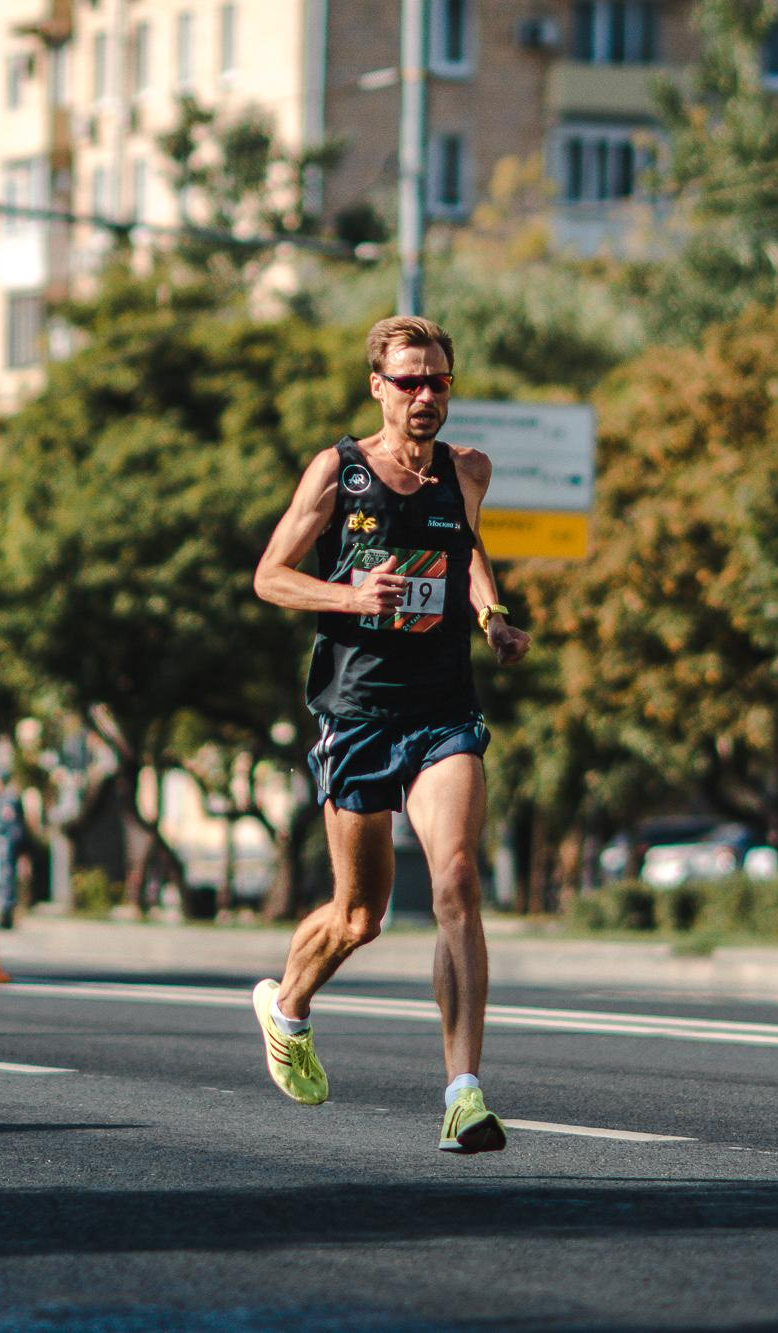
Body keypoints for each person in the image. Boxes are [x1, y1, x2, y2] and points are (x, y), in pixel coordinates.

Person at [251, 313, 531, 1154]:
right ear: (378, 386)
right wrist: (347, 596)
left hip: (443, 707)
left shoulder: (467, 470)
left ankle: (464, 1092)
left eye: (437, 381)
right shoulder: (339, 472)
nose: (423, 396)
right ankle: (287, 1007)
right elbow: (269, 575)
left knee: (454, 879)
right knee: (360, 915)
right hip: (358, 713)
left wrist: (493, 613)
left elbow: (466, 547)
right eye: (408, 381)